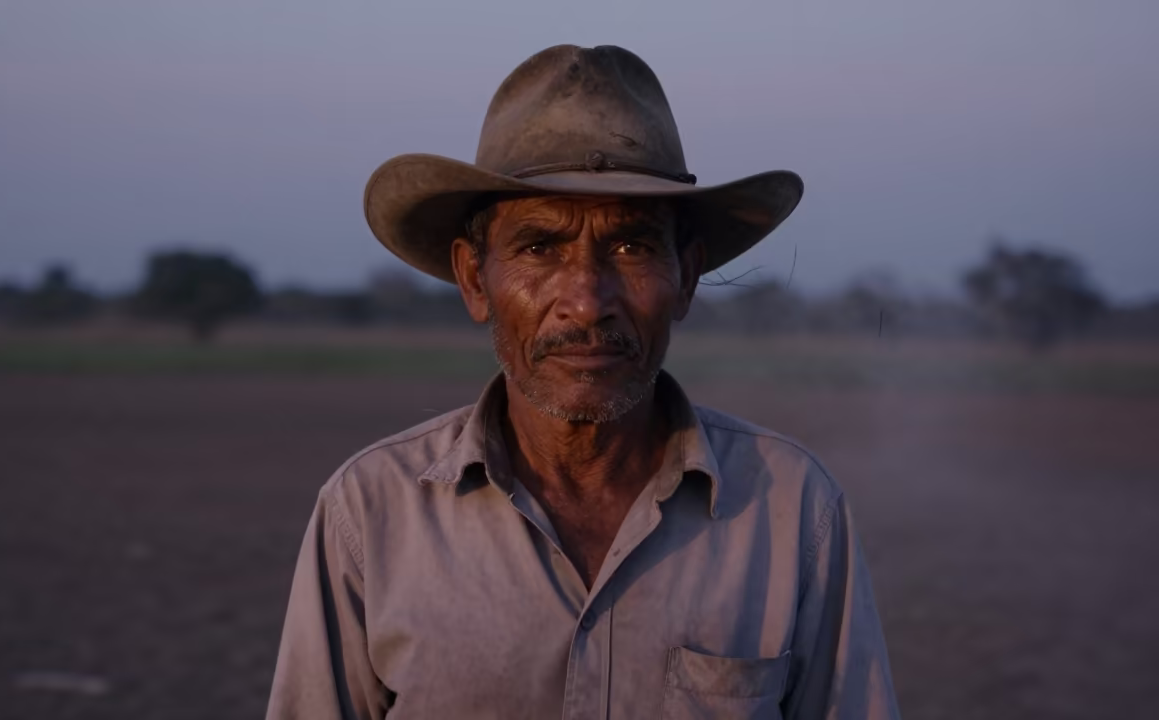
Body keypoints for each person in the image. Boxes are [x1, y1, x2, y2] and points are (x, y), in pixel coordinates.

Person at [267, 44, 899, 720]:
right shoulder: (369, 513)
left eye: (631, 246)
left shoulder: (794, 509)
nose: (587, 299)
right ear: (476, 279)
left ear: (685, 277)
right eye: (540, 247)